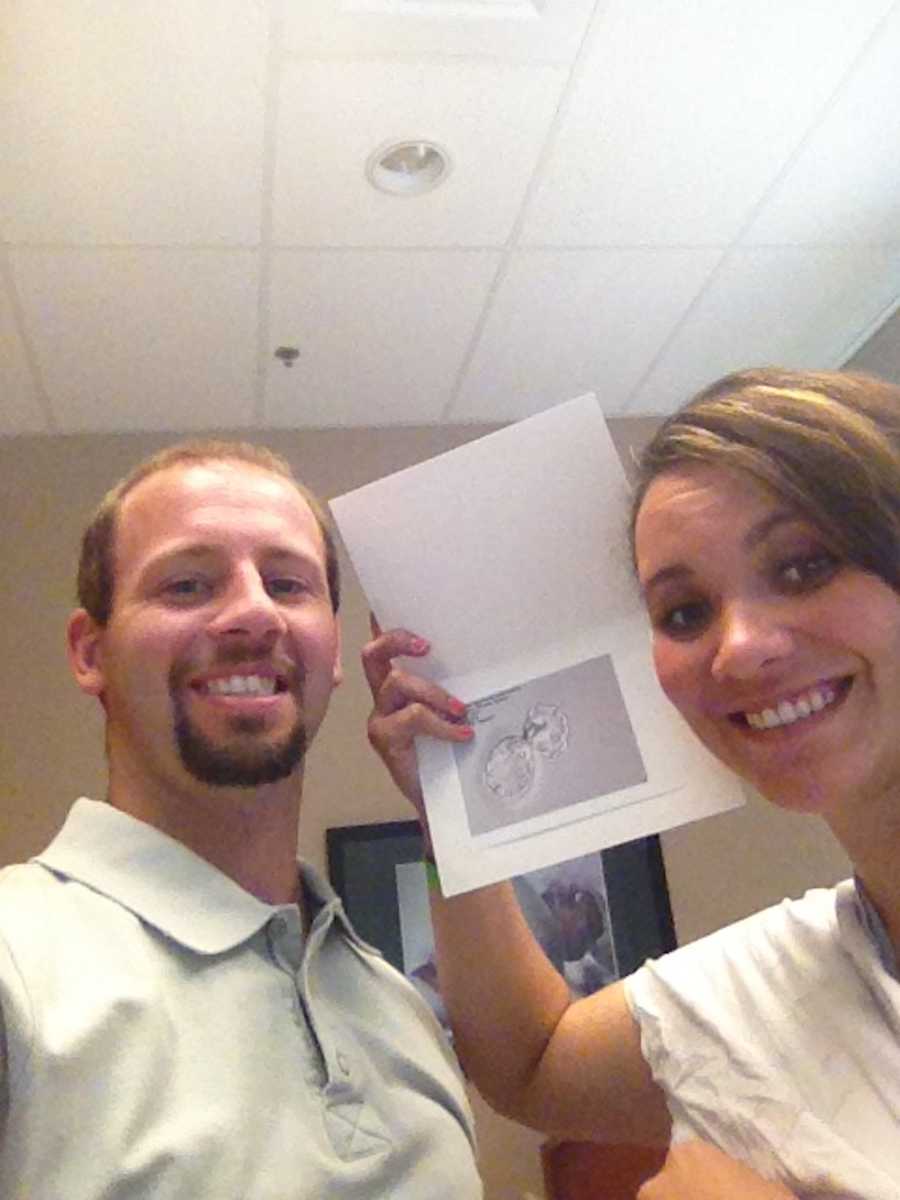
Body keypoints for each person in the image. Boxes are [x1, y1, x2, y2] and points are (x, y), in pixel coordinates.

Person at [363, 367, 900, 1199]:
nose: (740, 648)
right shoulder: (788, 987)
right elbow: (532, 1063)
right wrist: (451, 809)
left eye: (804, 566)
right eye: (684, 613)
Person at [0, 441, 482, 1199]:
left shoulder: (400, 1009)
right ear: (89, 652)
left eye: (288, 584)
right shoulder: (15, 963)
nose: (255, 611)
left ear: (330, 654)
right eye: (188, 584)